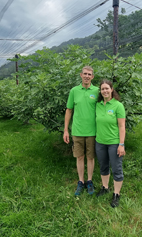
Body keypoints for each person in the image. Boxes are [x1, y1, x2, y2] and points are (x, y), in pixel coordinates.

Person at [64, 66, 99, 196]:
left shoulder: (97, 91)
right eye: (85, 74)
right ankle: (80, 181)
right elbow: (69, 110)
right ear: (80, 75)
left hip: (92, 131)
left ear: (92, 77)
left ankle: (89, 181)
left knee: (90, 157)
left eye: (89, 74)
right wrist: (66, 130)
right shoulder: (74, 91)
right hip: (77, 131)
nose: (87, 76)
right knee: (79, 157)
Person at [95, 79, 126, 208]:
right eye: (102, 89)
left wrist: (121, 144)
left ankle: (116, 194)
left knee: (117, 169)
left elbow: (122, 126)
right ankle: (105, 187)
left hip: (114, 143)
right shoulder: (98, 105)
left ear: (112, 89)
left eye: (107, 88)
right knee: (103, 166)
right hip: (100, 142)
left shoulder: (118, 106)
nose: (105, 91)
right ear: (100, 91)